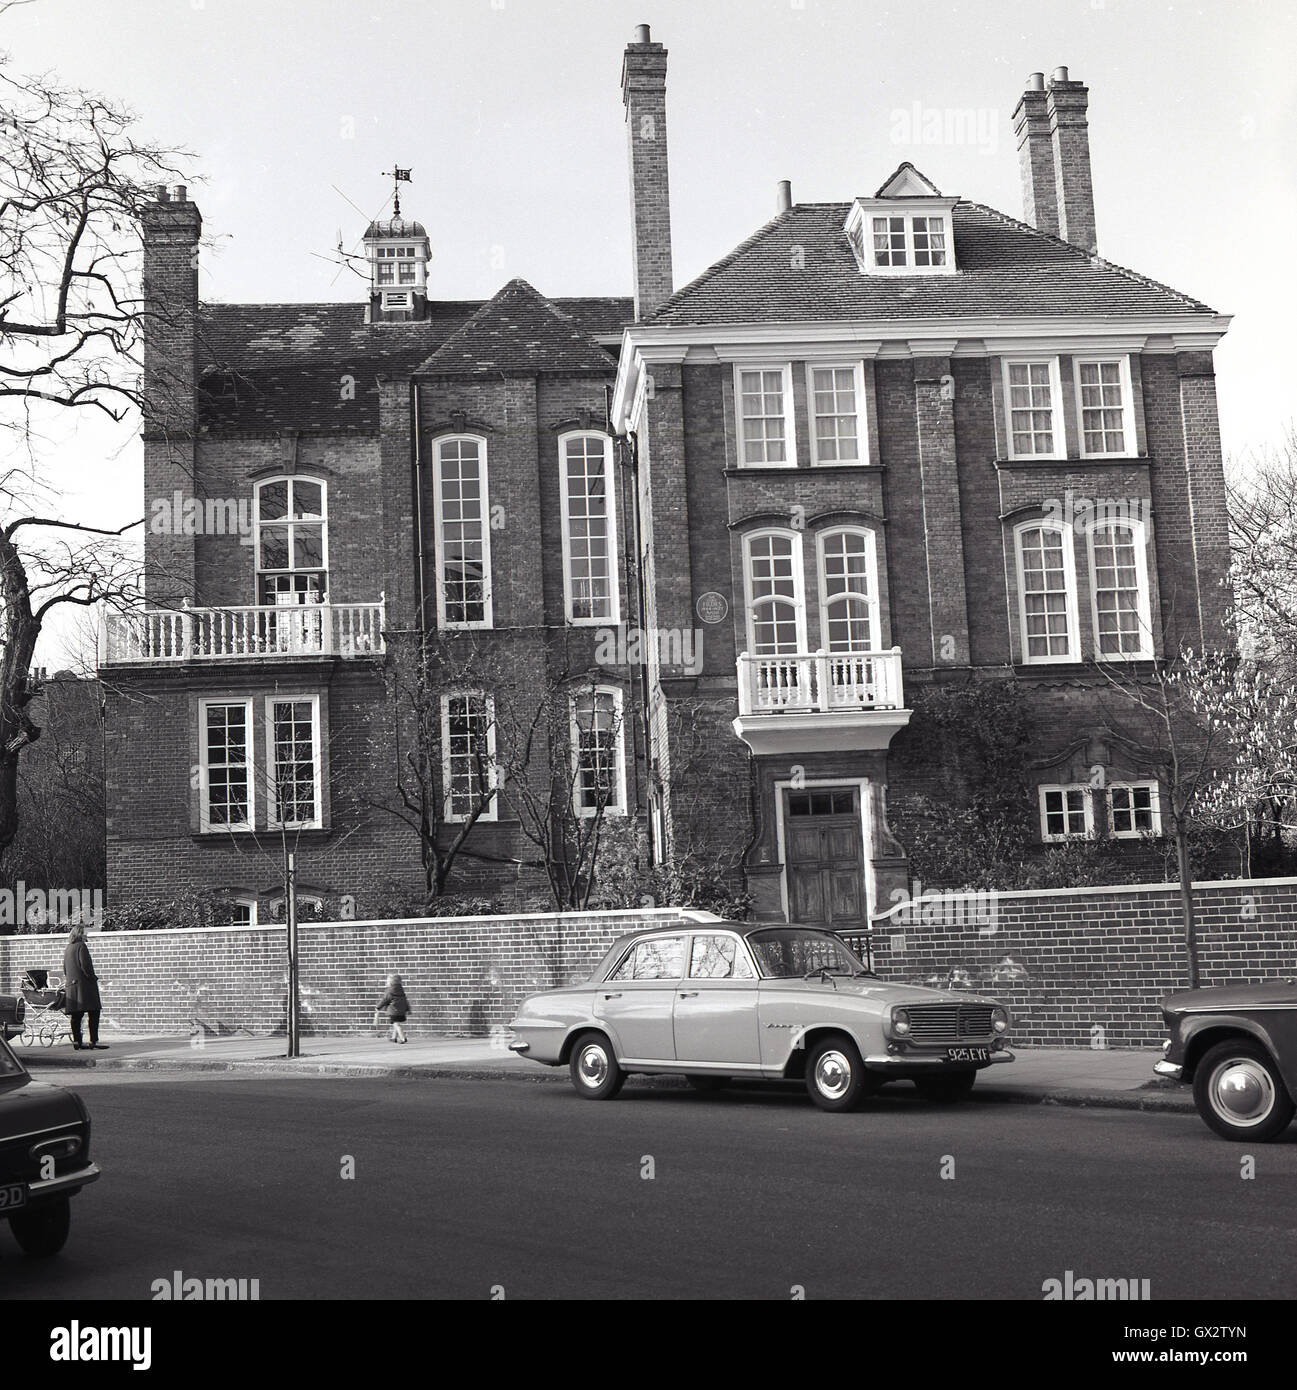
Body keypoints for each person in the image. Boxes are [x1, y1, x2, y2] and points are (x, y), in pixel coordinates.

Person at [63, 922, 106, 1050]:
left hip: (72, 987)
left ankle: (77, 1042)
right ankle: (94, 1040)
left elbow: (65, 969)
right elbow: (86, 966)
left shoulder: (68, 948)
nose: (87, 934)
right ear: (80, 933)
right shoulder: (82, 946)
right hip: (84, 987)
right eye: (85, 932)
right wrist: (93, 978)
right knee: (94, 1012)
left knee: (76, 1016)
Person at [374, 973, 410, 1044]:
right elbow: (405, 1000)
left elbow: (384, 1000)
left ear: (390, 983)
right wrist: (408, 1009)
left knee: (396, 1024)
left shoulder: (389, 991)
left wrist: (378, 1007)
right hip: (402, 1011)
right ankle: (394, 1038)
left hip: (393, 1011)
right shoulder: (401, 991)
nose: (386, 983)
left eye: (387, 982)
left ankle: (403, 1038)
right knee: (396, 1024)